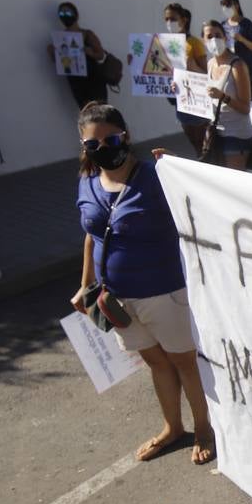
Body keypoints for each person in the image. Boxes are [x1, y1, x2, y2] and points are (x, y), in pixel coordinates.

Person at [71, 102, 216, 466]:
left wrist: (177, 169)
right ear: (84, 146)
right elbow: (90, 237)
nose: (103, 147)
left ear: (126, 135)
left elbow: (200, 207)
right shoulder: (87, 182)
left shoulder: (155, 177)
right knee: (156, 362)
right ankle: (173, 427)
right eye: (93, 143)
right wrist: (85, 285)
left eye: (111, 138)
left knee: (184, 362)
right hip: (114, 299)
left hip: (164, 292)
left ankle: (204, 428)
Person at [155, 3, 209, 152]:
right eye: (166, 19)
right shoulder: (164, 44)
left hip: (196, 100)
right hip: (179, 99)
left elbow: (205, 74)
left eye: (173, 18)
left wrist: (191, 65)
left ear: (184, 20)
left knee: (202, 143)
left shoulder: (194, 43)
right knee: (193, 141)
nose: (169, 23)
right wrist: (138, 64)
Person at [201, 19, 252, 169]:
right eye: (209, 36)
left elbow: (245, 108)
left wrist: (223, 97)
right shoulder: (210, 63)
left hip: (236, 134)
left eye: (218, 35)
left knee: (233, 182)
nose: (214, 40)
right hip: (216, 133)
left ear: (225, 37)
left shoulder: (237, 65)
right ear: (203, 40)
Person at [46, 1, 108, 110]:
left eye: (68, 13)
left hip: (93, 79)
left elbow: (101, 55)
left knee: (101, 111)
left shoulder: (87, 34)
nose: (65, 16)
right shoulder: (61, 39)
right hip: (76, 82)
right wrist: (52, 52)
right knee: (86, 113)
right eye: (62, 14)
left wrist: (90, 52)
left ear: (76, 14)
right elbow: (59, 62)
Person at [219, 0, 252, 100]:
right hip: (230, 70)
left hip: (248, 69)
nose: (226, 9)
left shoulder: (246, 24)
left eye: (229, 6)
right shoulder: (222, 25)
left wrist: (242, 39)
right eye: (224, 6)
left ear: (236, 6)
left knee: (248, 103)